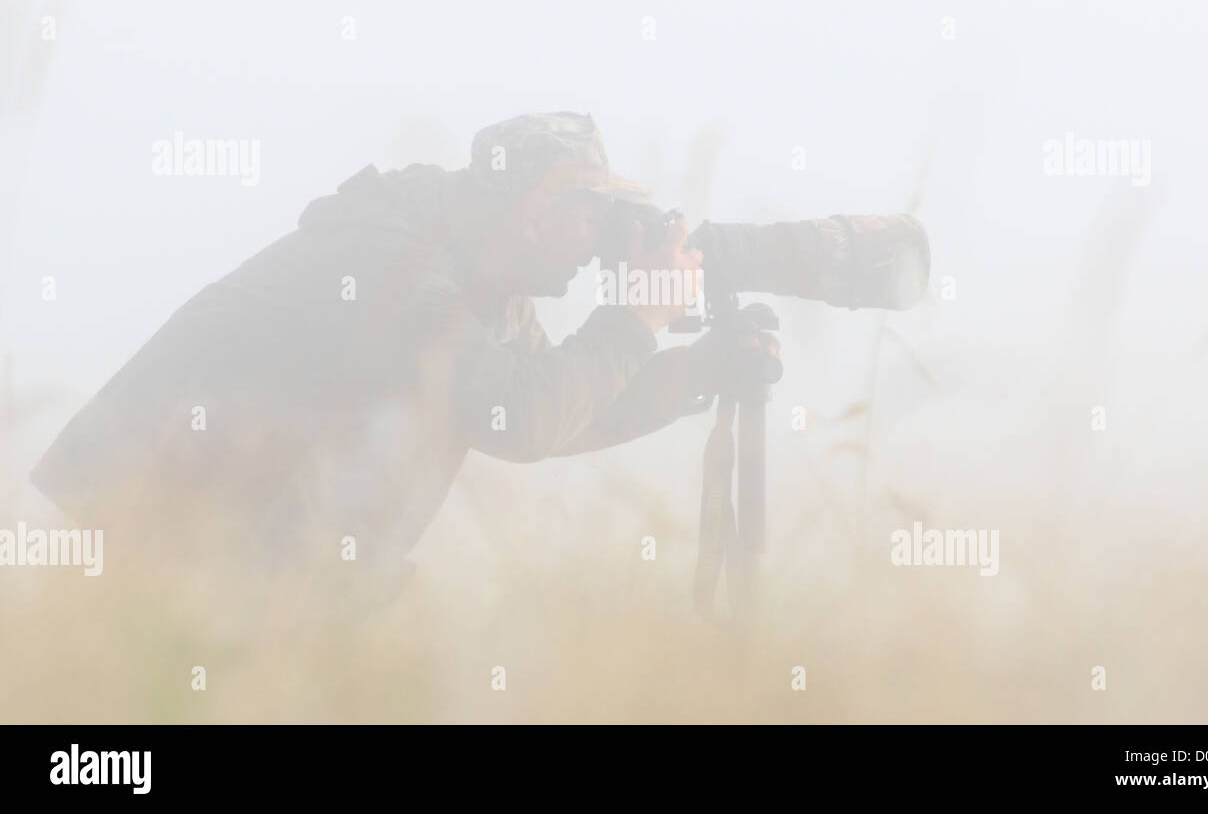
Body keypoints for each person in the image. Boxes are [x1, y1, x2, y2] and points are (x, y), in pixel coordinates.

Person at [30, 111, 770, 611]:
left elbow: (569, 408)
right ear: (531, 211)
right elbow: (520, 419)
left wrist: (703, 370)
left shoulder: (481, 286)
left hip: (257, 566)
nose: (599, 243)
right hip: (157, 547)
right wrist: (638, 317)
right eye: (592, 217)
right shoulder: (396, 268)